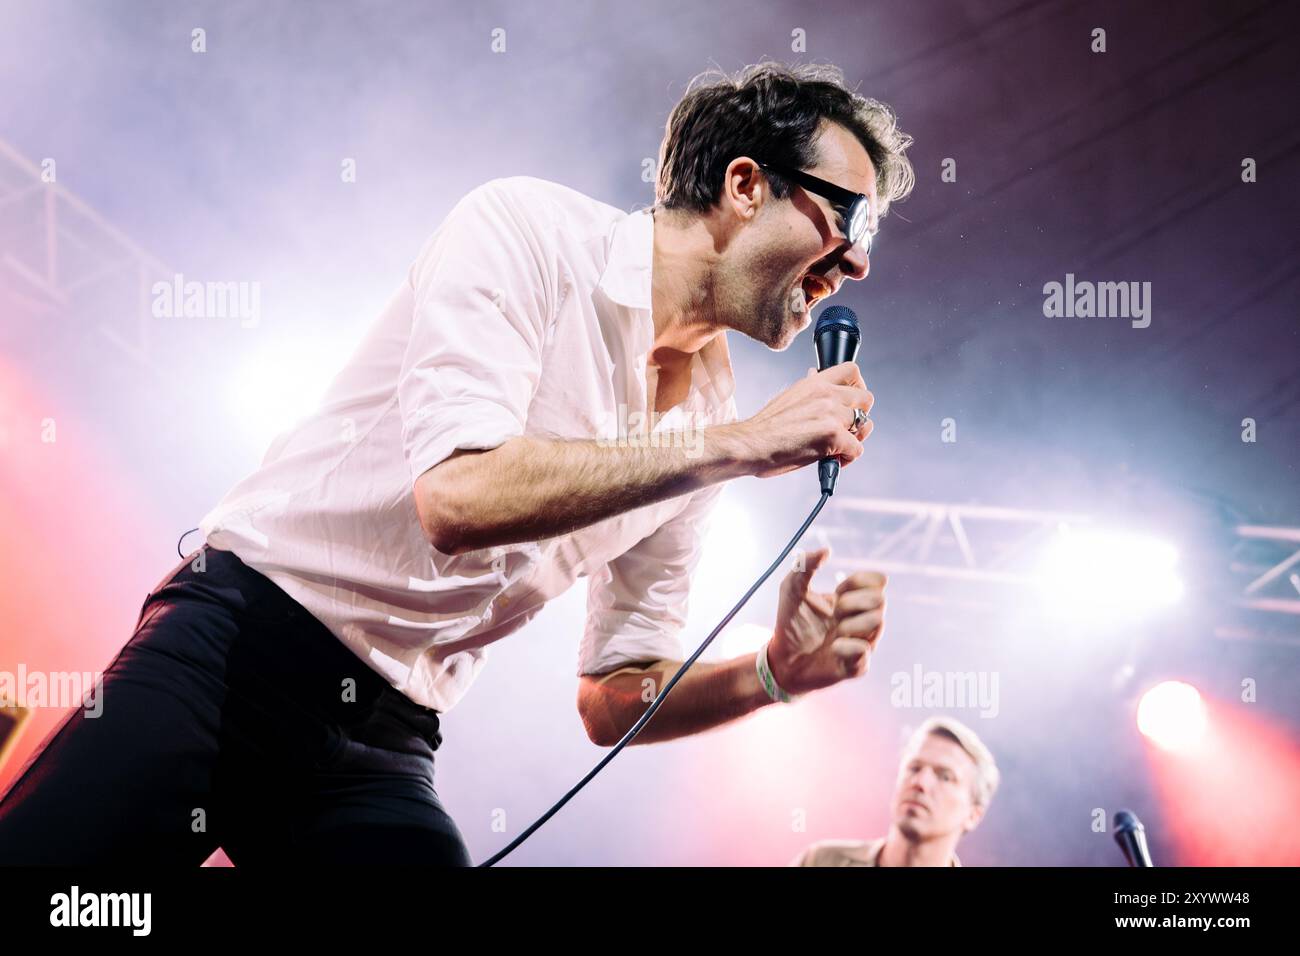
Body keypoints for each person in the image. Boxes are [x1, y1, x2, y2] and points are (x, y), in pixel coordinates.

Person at [0, 61, 914, 865]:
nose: (859, 261)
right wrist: (730, 449)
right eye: (844, 213)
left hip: (383, 741)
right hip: (241, 645)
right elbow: (459, 497)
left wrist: (774, 675)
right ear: (745, 184)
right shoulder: (530, 232)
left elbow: (611, 696)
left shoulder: (711, 415)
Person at [791, 716, 999, 867]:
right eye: (914, 768)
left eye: (945, 776)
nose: (920, 782)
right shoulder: (821, 862)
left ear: (973, 815)